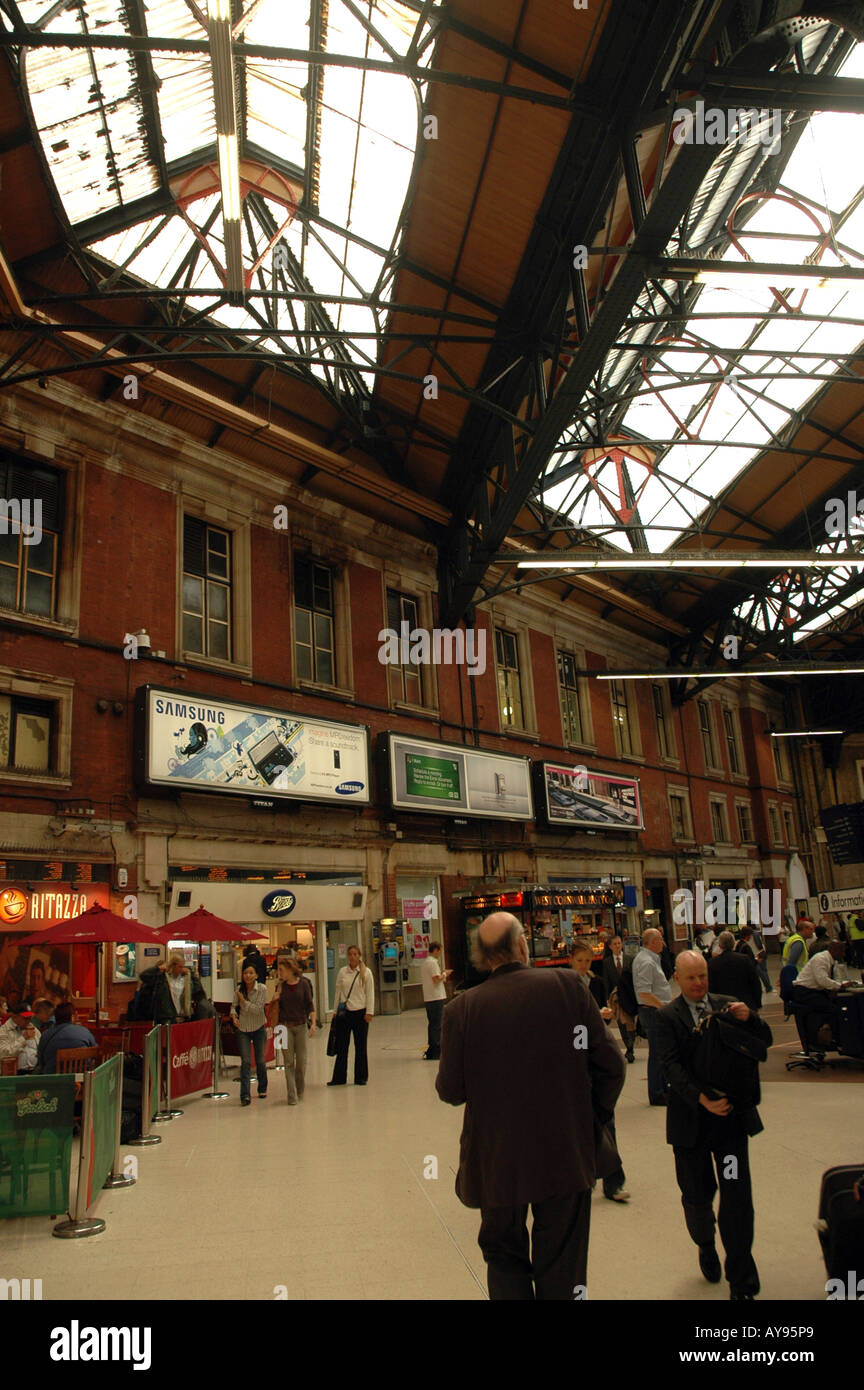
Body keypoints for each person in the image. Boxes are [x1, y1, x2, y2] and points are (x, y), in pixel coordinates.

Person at [437, 913, 624, 1299]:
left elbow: (451, 1090)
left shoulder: (462, 1009)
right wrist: (591, 1117)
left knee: (504, 1258)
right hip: (564, 1152)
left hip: (497, 1159)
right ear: (522, 946)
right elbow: (611, 1065)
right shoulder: (568, 986)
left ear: (482, 958)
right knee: (563, 1261)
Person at [655, 951, 773, 1301]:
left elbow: (762, 1042)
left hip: (730, 1124)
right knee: (697, 1195)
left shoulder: (729, 1005)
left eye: (703, 976)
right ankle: (705, 1243)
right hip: (691, 1125)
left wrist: (750, 1018)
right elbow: (670, 1066)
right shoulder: (666, 1017)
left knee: (737, 1198)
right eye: (691, 978)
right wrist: (701, 1098)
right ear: (677, 977)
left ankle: (742, 1281)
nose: (699, 983)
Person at [571, 940, 629, 1204]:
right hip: (576, 1057)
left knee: (606, 1119)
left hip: (595, 1053)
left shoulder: (595, 982)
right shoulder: (565, 985)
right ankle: (583, 1177)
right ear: (571, 959)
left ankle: (613, 1180)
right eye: (580, 960)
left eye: (587, 960)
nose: (584, 965)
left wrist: (601, 1015)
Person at [633, 928, 673, 1105]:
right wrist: (663, 1006)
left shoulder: (650, 959)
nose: (663, 943)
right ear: (652, 942)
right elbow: (644, 992)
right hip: (652, 1011)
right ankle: (657, 1092)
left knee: (662, 1051)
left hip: (654, 1010)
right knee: (657, 1053)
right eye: (660, 939)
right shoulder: (646, 962)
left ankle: (663, 1087)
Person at [791, 942, 853, 1052]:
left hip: (815, 991)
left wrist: (835, 987)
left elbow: (831, 979)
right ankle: (824, 1040)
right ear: (834, 950)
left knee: (836, 1004)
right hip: (804, 992)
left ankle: (837, 1039)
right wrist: (839, 986)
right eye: (842, 951)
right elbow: (822, 980)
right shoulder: (820, 959)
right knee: (833, 1010)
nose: (843, 954)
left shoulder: (831, 961)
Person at [328, 945, 374, 1086]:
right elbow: (338, 992)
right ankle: (339, 1078)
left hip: (360, 1013)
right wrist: (334, 1011)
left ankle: (361, 1077)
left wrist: (369, 1012)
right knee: (342, 1047)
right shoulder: (343, 972)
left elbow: (370, 993)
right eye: (350, 954)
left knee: (361, 1047)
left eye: (355, 954)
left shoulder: (366, 972)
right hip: (344, 1014)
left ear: (359, 955)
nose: (352, 956)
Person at [274, 955, 315, 1103]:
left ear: (290, 970)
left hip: (301, 1025)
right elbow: (275, 1008)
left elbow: (309, 1004)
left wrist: (313, 1023)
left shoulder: (303, 984)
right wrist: (275, 997)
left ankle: (300, 1089)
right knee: (288, 1061)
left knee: (301, 1062)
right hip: (284, 1027)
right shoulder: (280, 986)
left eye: (282, 970)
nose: (280, 973)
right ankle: (291, 1095)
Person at [231, 963, 268, 1105]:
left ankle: (262, 1088)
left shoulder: (262, 989)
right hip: (243, 1029)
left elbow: (258, 1010)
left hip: (258, 1028)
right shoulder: (239, 989)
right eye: (245, 973)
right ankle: (245, 1094)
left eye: (251, 973)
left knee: (260, 1060)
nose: (248, 975)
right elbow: (233, 1006)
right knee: (245, 1061)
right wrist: (234, 1016)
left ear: (256, 975)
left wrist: (243, 1001)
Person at [139, 952, 205, 1024]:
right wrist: (157, 968)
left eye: (183, 966)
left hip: (183, 1016)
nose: (182, 969)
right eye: (180, 967)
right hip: (166, 1017)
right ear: (173, 965)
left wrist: (192, 974)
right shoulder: (162, 978)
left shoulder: (185, 979)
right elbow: (143, 976)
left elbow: (198, 988)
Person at [602, 934, 637, 1062]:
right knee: (621, 1023)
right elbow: (606, 981)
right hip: (616, 998)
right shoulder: (607, 962)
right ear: (610, 947)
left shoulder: (629, 959)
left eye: (619, 943)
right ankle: (628, 1046)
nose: (617, 946)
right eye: (615, 944)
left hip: (629, 996)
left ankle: (631, 1046)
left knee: (630, 1022)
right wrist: (607, 999)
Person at [35, 1001, 95, 1074]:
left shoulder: (45, 1035)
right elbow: (95, 1053)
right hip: (82, 1079)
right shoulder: (84, 1032)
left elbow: (41, 1061)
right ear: (72, 1017)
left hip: (53, 1080)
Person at [708, 932, 762, 1013]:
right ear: (734, 944)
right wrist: (758, 1003)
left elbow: (711, 987)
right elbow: (755, 982)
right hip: (746, 1004)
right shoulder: (744, 959)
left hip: (724, 1007)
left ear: (719, 945)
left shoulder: (713, 963)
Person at [421, 942, 450, 1061]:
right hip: (436, 997)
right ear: (436, 950)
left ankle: (432, 1049)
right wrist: (444, 974)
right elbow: (436, 979)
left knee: (432, 1024)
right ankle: (437, 1050)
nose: (440, 953)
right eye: (440, 951)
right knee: (437, 1024)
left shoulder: (425, 963)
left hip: (429, 997)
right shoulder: (432, 963)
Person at [0, 1001, 39, 1072]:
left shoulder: (33, 1028)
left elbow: (40, 1046)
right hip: (13, 1073)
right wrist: (23, 1039)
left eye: (30, 1018)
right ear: (15, 1016)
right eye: (25, 1018)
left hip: (34, 1071)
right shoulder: (4, 1031)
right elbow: (3, 1054)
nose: (28, 1021)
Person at [736, 926, 772, 994]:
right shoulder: (748, 943)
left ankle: (767, 987)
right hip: (755, 959)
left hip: (752, 959)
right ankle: (768, 987)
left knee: (760, 973)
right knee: (762, 972)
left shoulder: (740, 943)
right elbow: (760, 945)